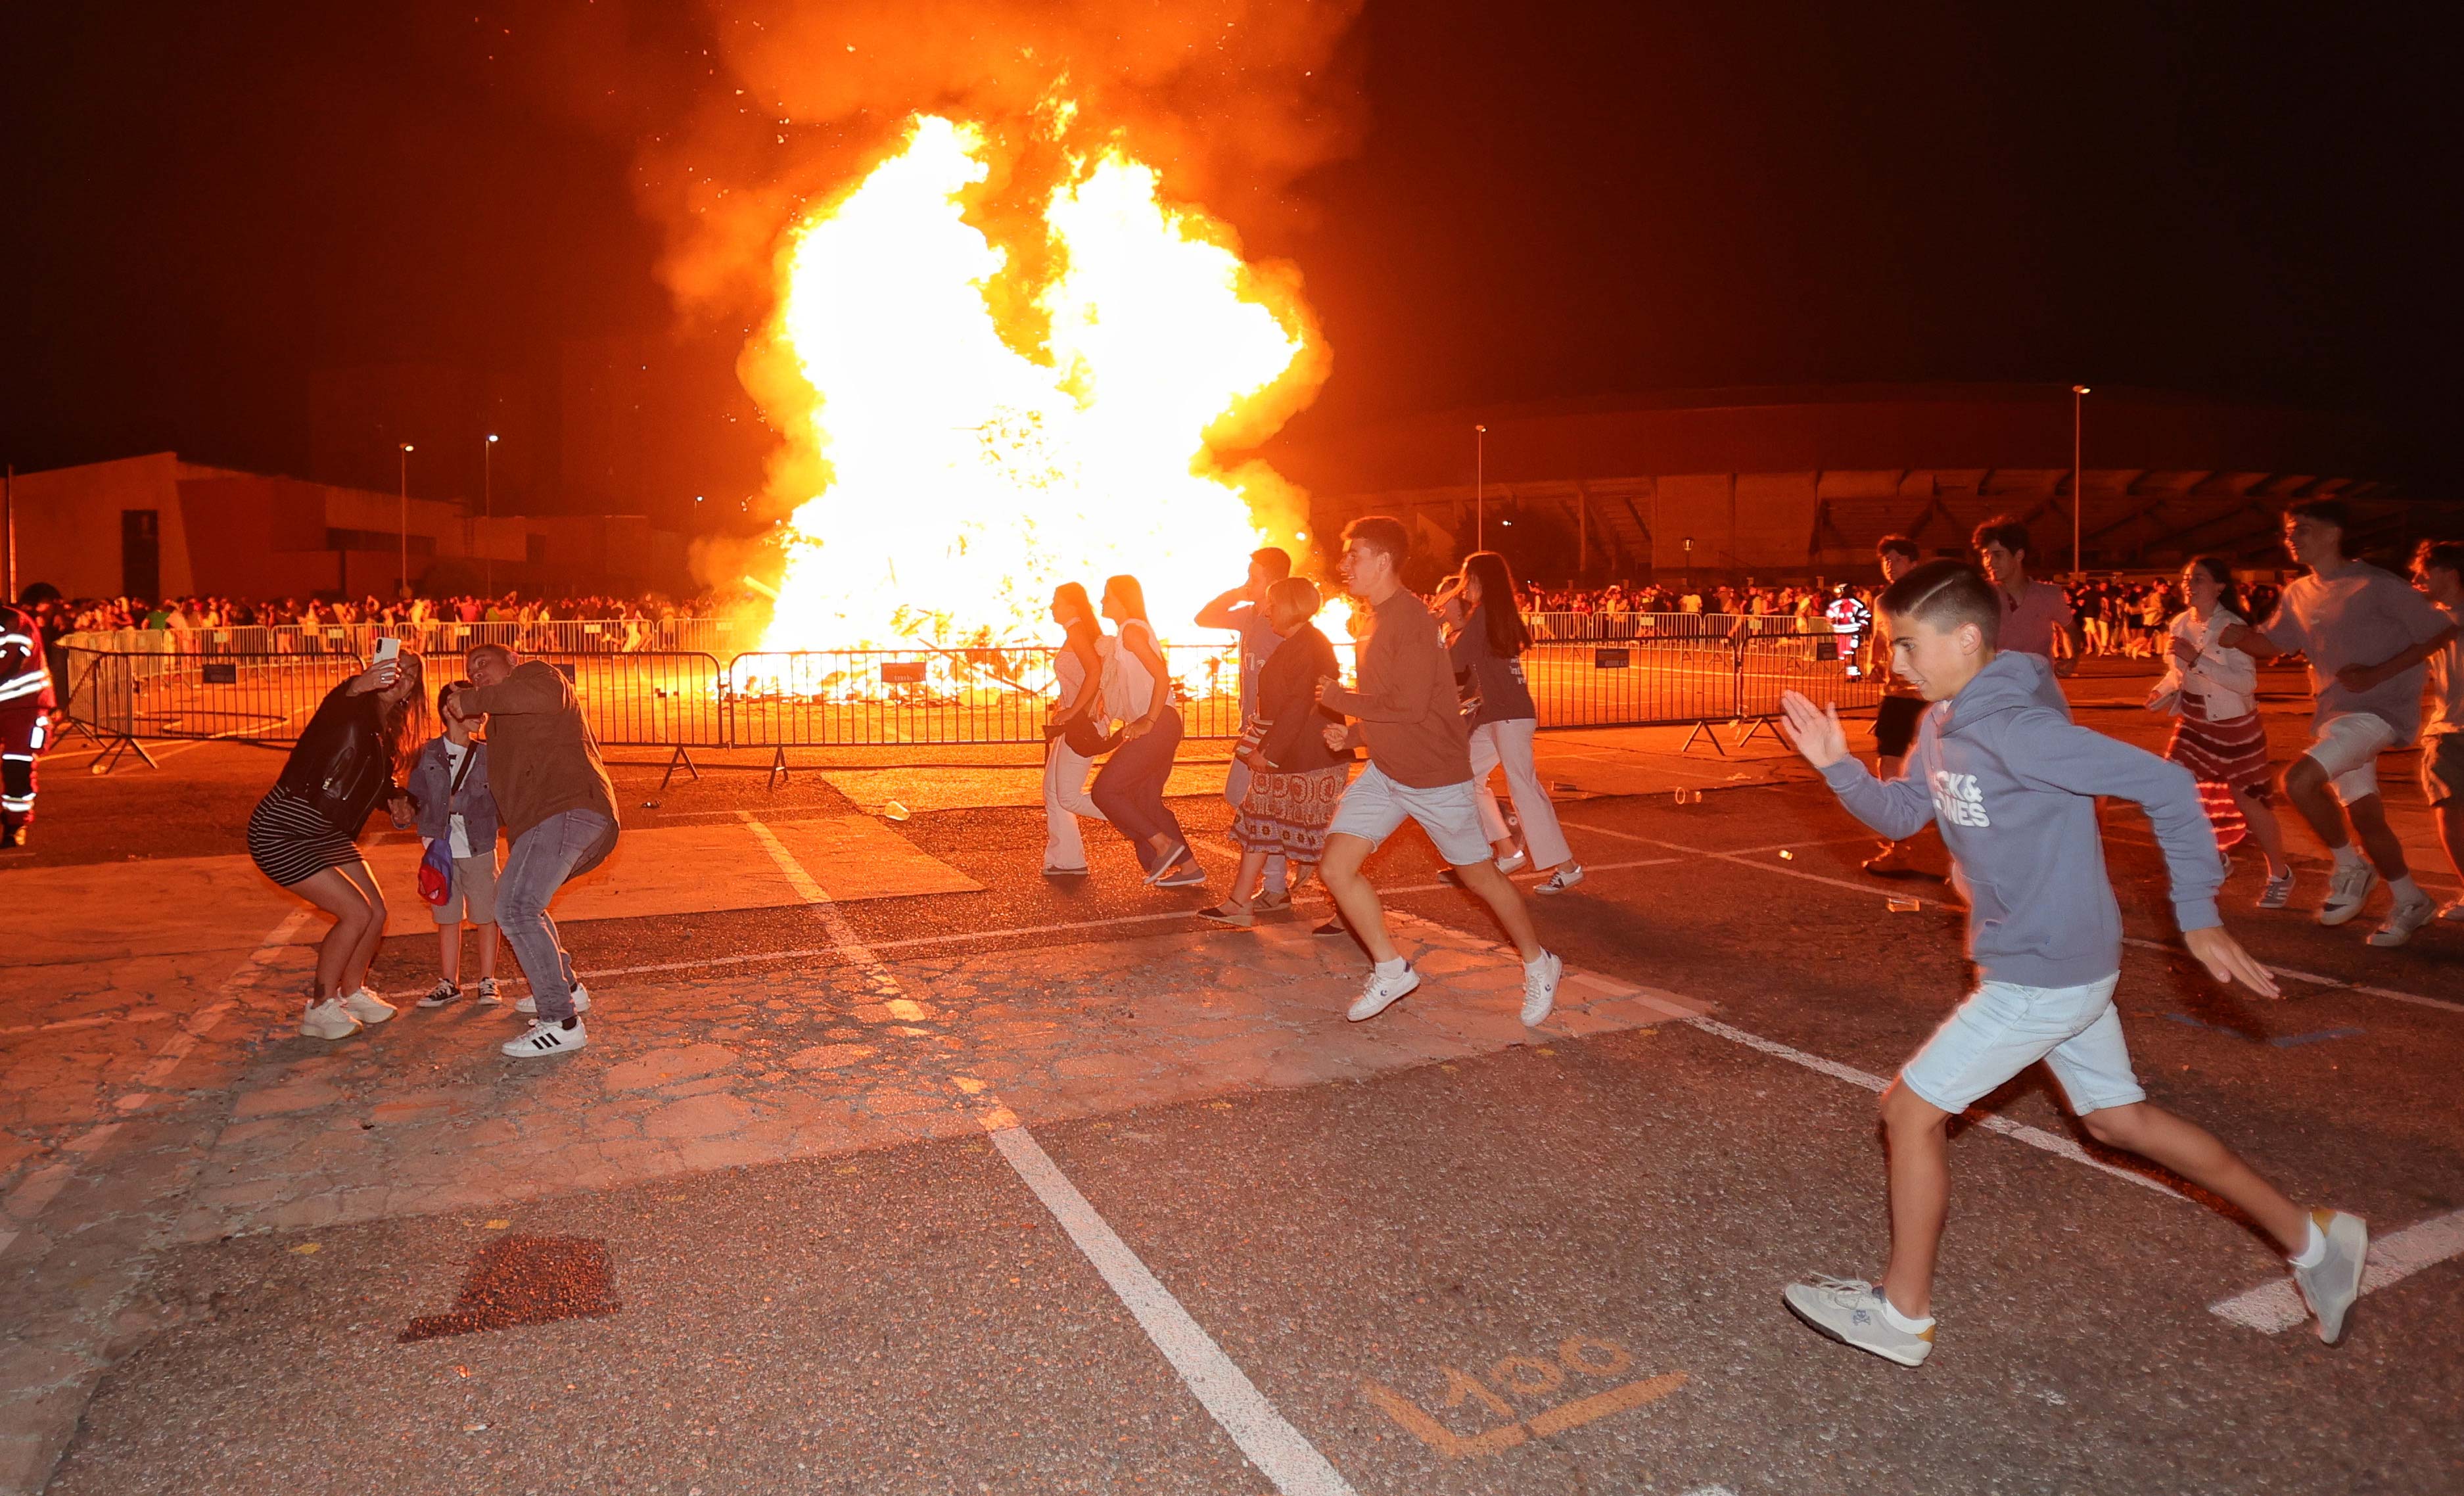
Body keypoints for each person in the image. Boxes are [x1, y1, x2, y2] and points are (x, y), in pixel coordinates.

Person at [1773, 560, 2365, 1365]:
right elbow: (1906, 810)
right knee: (2118, 1120)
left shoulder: (2016, 727)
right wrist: (1835, 764)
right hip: (2051, 961)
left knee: (1908, 1112)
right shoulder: (1942, 720)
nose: (1895, 663)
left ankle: (1901, 1315)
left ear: (1966, 637)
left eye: (1906, 645)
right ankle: (2313, 1241)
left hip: (2043, 969)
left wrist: (2195, 914)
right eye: (1891, 646)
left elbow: (2163, 783)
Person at [1313, 517, 1563, 1025]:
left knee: (1482, 879)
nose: (1344, 565)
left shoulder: (1408, 619)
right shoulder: (1373, 620)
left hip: (1433, 778)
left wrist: (1336, 698)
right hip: (1387, 771)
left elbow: (1405, 706)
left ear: (1383, 561)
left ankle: (1540, 964)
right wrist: (1356, 734)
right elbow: (1415, 700)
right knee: (1336, 868)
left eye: (1352, 555)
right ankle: (1391, 969)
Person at [2219, 501, 2459, 945]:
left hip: (2379, 712)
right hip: (2335, 715)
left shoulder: (2377, 585)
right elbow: (2271, 645)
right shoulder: (2297, 592)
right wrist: (2237, 637)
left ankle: (2349, 866)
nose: (2291, 538)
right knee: (2368, 819)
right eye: (2289, 530)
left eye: (2302, 529)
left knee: (2298, 782)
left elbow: (2441, 630)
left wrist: (2378, 673)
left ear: (2333, 534)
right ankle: (2410, 900)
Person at [446, 642, 620, 1057]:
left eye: (483, 663)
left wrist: (470, 699)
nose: (476, 673)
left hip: (569, 807)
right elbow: (487, 796)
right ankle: (568, 990)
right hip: (548, 821)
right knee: (527, 903)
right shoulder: (500, 728)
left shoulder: (539, 676)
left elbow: (538, 697)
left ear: (513, 662)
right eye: (471, 671)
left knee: (514, 906)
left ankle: (560, 1021)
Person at [248, 651, 427, 1040]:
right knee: (356, 914)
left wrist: (398, 798)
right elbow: (337, 705)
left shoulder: (386, 731)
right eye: (397, 670)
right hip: (283, 830)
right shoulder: (348, 712)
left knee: (376, 913)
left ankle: (353, 991)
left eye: (411, 675)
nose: (402, 678)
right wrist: (362, 682)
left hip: (328, 834)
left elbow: (374, 781)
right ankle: (319, 1006)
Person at [1198, 576, 1349, 927]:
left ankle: (1349, 910)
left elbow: (1298, 706)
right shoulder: (1298, 641)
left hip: (1309, 757)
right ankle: (1239, 903)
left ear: (1292, 606)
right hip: (1287, 753)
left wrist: (1269, 753)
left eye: (1273, 604)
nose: (1267, 612)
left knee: (1317, 835)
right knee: (1258, 823)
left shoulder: (1308, 646)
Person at [1437, 551, 1584, 894]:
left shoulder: (1483, 615)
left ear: (1480, 580)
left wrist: (1436, 631)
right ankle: (1507, 851)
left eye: (1467, 578)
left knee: (1523, 789)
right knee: (1467, 778)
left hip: (1507, 715)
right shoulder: (1494, 614)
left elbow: (1454, 662)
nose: (1464, 586)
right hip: (1499, 715)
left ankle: (1568, 866)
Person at [2149, 556, 2291, 900]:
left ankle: (2279, 873)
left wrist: (2197, 659)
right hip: (2194, 723)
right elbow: (2177, 674)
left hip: (2234, 727)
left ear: (2219, 587)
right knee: (2173, 788)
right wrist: (2162, 690)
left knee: (2249, 803)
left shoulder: (2231, 627)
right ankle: (2214, 855)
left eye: (2197, 579)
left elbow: (2245, 683)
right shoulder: (2180, 623)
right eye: (2186, 578)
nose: (2188, 584)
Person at [1088, 575, 1205, 889]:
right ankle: (1190, 867)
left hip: (1158, 724)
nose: (1102, 601)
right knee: (1147, 800)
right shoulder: (1128, 632)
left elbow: (1162, 677)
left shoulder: (1132, 631)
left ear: (1123, 599)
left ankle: (1163, 846)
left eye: (1107, 596)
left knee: (1106, 791)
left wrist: (1148, 721)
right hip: (1161, 724)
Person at [1197, 547, 1297, 908]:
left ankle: (1281, 878)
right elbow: (1203, 619)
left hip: (1270, 728)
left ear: (1274, 581)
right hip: (1252, 724)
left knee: (1252, 802)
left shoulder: (1280, 623)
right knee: (1253, 803)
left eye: (1254, 577)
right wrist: (1236, 593)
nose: (1248, 582)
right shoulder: (1250, 615)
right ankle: (1278, 882)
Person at [406, 678, 504, 1007]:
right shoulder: (428, 752)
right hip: (439, 848)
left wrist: (463, 803)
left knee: (485, 914)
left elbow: (499, 804)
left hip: (478, 845)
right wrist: (403, 812)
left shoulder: (489, 755)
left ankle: (488, 980)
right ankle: (449, 982)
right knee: (446, 916)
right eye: (473, 705)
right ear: (450, 710)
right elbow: (415, 795)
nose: (482, 714)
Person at [1861, 536, 1932, 877]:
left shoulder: (1931, 597)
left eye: (1897, 558)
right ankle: (1898, 843)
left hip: (1930, 694)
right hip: (1895, 694)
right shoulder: (1882, 601)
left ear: (1913, 562)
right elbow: (1878, 636)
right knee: (1888, 763)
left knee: (1945, 768)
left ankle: (1972, 856)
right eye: (1885, 559)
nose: (1890, 564)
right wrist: (1872, 662)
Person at [1040, 582, 1113, 878]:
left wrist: (1074, 710)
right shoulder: (1078, 630)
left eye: (1056, 601)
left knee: (1066, 795)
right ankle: (1067, 860)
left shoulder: (1078, 630)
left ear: (1071, 604)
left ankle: (1138, 819)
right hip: (1074, 722)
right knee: (1053, 790)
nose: (1051, 606)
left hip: (1083, 725)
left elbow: (1095, 672)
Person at [2408, 540, 2464, 924]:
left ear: (2450, 574)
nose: (2415, 580)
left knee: (2450, 812)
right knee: (2448, 811)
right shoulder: (2429, 620)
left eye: (2423, 573)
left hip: (2450, 730)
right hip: (2446, 729)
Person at [1972, 516, 2085, 674]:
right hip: (1994, 687)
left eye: (1998, 555)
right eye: (1985, 555)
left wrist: (2073, 660)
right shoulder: (1980, 595)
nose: (1989, 562)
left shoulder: (2049, 595)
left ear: (2019, 555)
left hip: (2038, 689)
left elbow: (2071, 629)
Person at [0, 596, 57, 851]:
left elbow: (10, 663)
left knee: (17, 765)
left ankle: (16, 825)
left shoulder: (14, 622)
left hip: (23, 704)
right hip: (17, 703)